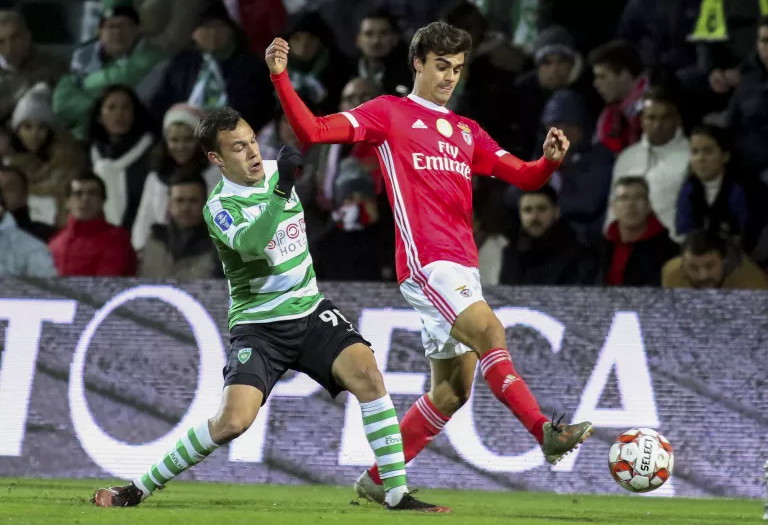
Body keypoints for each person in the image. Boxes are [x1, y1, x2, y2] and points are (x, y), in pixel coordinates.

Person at [265, 22, 593, 505]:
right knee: (490, 334)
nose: (449, 78)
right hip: (427, 262)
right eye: (441, 66)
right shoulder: (389, 113)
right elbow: (312, 130)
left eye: (457, 69)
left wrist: (547, 162)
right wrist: (280, 77)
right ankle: (545, 431)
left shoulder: (466, 131)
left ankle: (378, 480)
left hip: (463, 265)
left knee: (453, 391)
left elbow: (523, 178)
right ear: (417, 63)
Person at [91, 107, 448, 513]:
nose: (252, 153)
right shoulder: (220, 206)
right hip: (260, 328)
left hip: (310, 311)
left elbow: (320, 134)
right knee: (232, 423)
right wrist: (282, 192)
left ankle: (396, 493)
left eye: (252, 142)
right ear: (217, 159)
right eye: (238, 148)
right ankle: (137, 488)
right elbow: (251, 244)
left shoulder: (282, 170)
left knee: (367, 373)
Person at [48, 173, 137, 277]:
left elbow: (105, 284)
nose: (85, 199)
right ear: (68, 202)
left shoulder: (117, 238)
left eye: (92, 193)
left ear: (102, 201)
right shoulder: (55, 242)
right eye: (78, 194)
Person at [138, 174, 219, 280]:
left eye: (193, 201)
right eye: (179, 200)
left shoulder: (219, 248)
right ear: (169, 205)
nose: (185, 208)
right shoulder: (154, 241)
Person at [662, 231, 768, 290]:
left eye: (710, 266)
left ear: (724, 261)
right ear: (683, 265)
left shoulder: (751, 282)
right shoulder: (671, 273)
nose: (703, 276)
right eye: (693, 268)